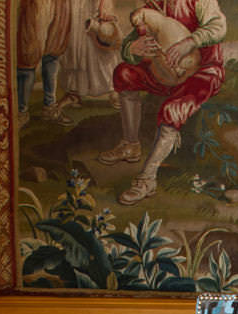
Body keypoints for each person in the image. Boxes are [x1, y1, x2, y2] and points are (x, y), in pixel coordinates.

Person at [96, 0, 227, 205]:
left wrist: (189, 42)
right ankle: (131, 145)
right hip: (163, 72)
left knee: (172, 109)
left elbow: (219, 26)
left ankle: (147, 178)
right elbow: (129, 47)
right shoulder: (153, 4)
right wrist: (133, 48)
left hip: (202, 72)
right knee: (124, 73)